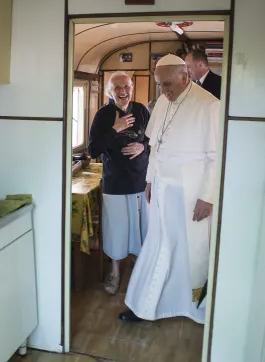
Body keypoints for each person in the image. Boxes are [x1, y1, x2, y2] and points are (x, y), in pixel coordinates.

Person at [120, 54, 219, 324]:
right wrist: (150, 180)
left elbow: (216, 157)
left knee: (187, 250)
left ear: (185, 75)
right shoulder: (163, 101)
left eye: (169, 84)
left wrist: (208, 198)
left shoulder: (209, 105)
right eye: (160, 85)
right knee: (159, 244)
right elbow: (155, 148)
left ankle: (193, 308)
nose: (165, 91)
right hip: (163, 188)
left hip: (190, 193)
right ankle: (146, 305)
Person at [88, 72, 150, 295]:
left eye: (126, 86)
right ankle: (114, 270)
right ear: (109, 92)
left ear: (132, 87)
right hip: (114, 182)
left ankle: (139, 266)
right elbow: (93, 150)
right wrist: (116, 128)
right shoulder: (104, 115)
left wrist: (143, 147)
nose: (123, 91)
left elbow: (153, 141)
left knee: (140, 227)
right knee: (116, 228)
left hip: (139, 180)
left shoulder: (142, 110)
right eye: (117, 88)